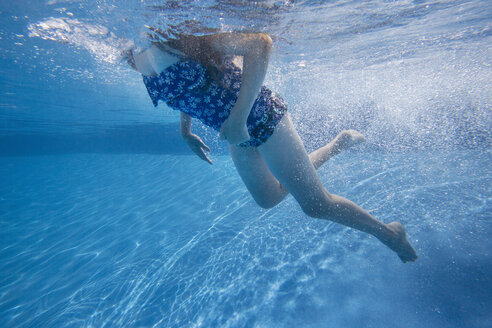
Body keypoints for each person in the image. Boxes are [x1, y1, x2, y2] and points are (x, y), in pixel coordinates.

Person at [126, 32, 417, 263]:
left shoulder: (177, 33)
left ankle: (391, 234)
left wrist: (239, 119)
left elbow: (259, 44)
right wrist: (185, 131)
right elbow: (184, 87)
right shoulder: (133, 53)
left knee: (316, 206)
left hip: (259, 116)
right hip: (234, 132)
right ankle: (338, 144)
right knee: (267, 199)